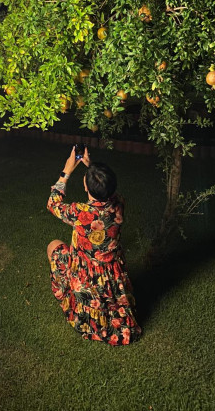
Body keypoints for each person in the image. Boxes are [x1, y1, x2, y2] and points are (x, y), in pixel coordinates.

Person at [46, 145, 142, 345]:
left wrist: (67, 170)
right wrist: (92, 168)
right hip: (111, 274)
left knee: (54, 246)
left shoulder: (80, 213)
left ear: (86, 187)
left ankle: (82, 305)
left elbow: (53, 203)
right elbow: (110, 192)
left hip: (86, 275)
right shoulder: (119, 204)